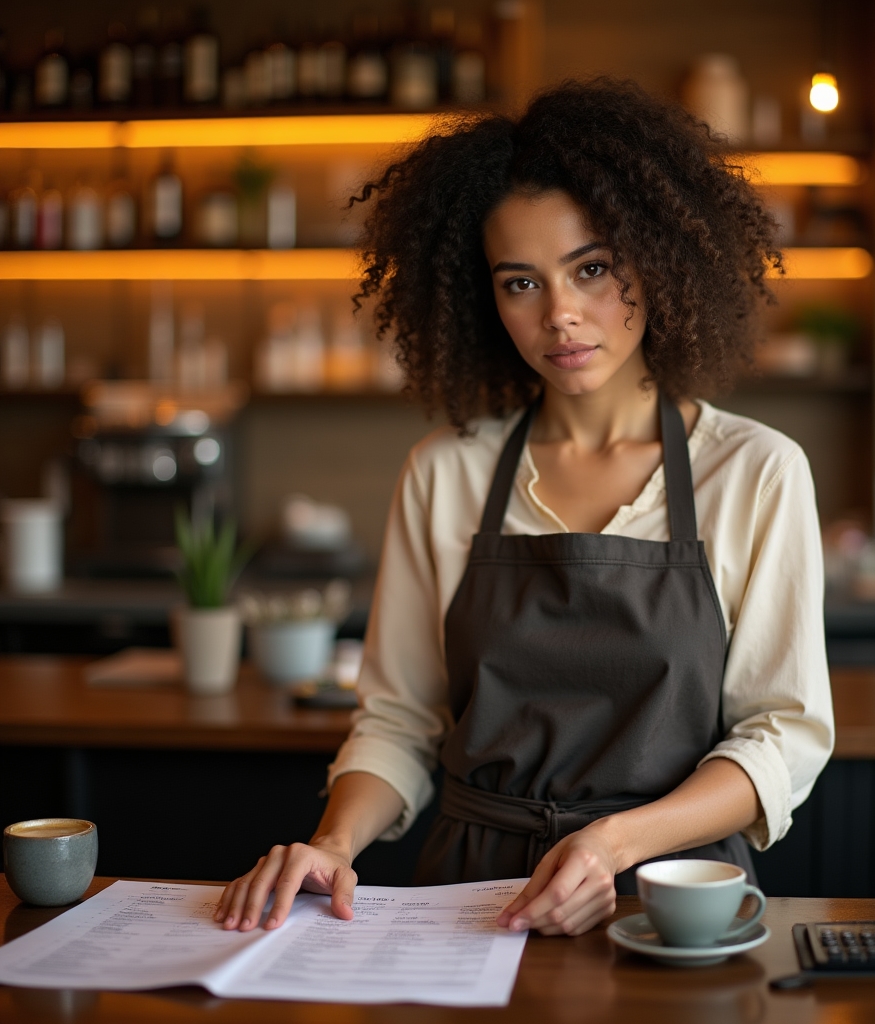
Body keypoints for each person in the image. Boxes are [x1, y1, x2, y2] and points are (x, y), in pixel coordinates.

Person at [216, 78, 834, 939]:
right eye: (520, 282)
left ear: (656, 260)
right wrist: (333, 841)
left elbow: (783, 736)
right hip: (473, 902)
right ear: (484, 299)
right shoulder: (446, 472)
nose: (562, 315)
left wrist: (613, 845)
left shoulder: (756, 471)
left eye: (591, 268)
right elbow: (399, 718)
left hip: (670, 897)